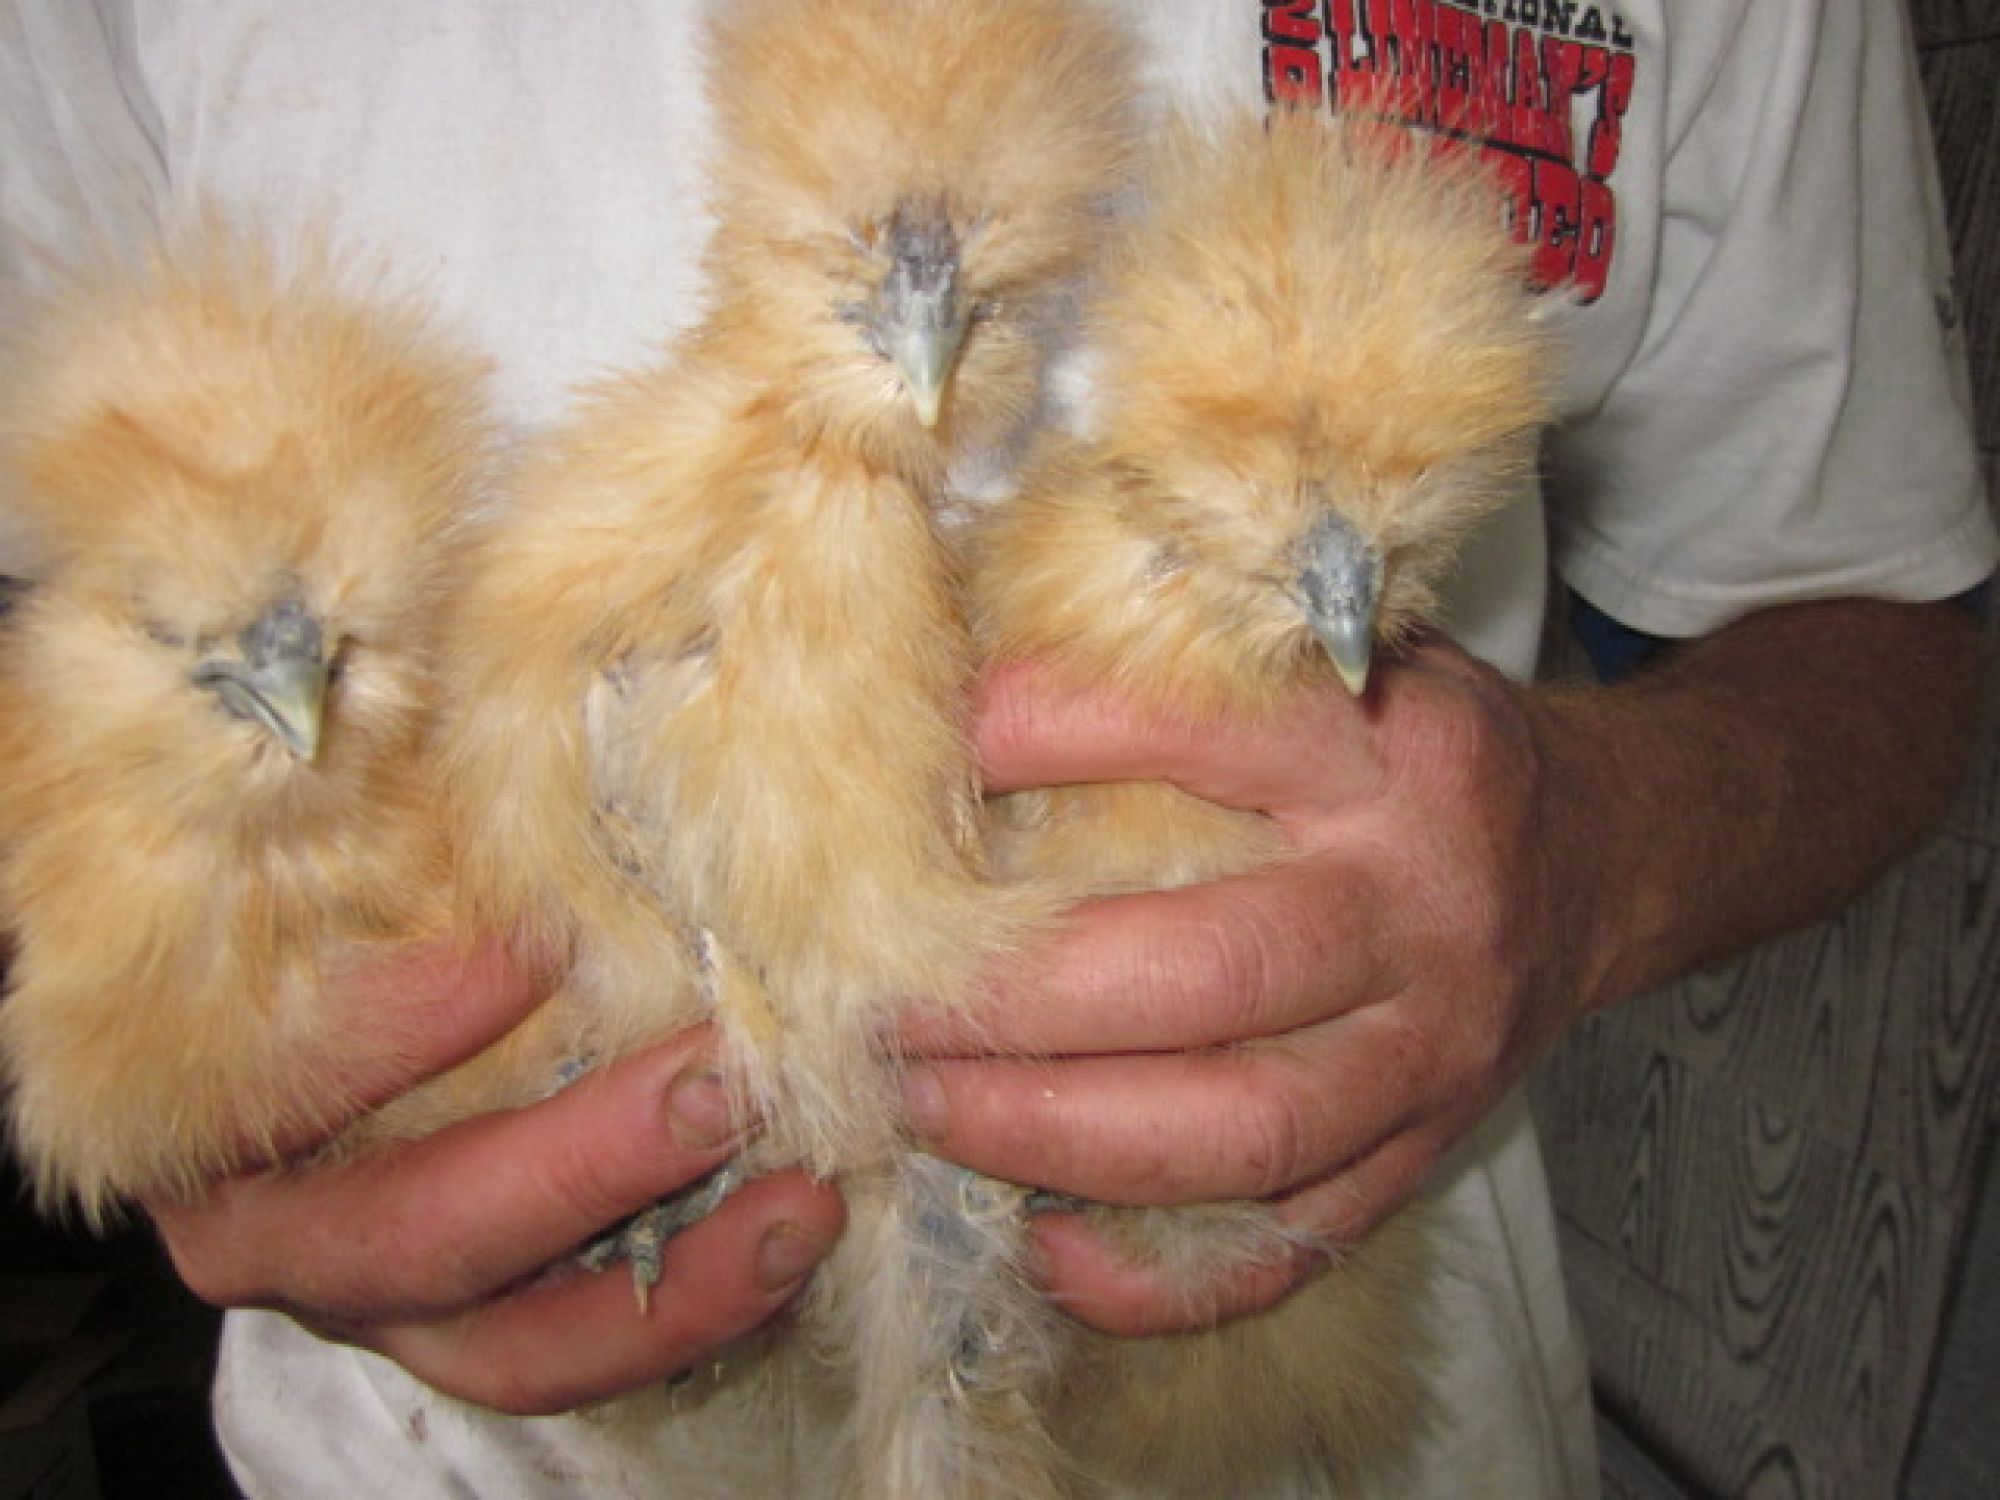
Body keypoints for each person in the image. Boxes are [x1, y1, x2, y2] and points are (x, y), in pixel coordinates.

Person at [2, 1, 1991, 1495]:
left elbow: (1889, 622)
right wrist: (179, 1020)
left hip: (1287, 1374)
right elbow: (64, 642)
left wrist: (1590, 854)